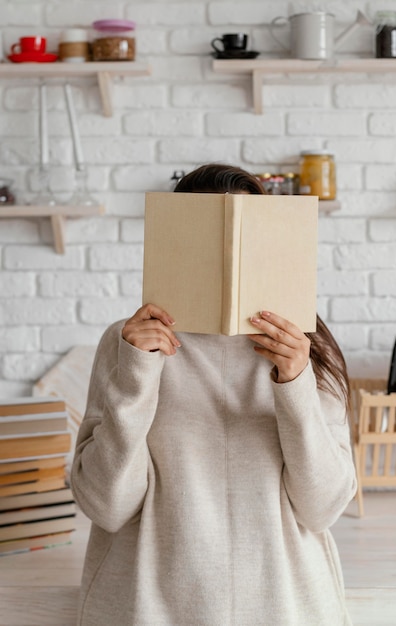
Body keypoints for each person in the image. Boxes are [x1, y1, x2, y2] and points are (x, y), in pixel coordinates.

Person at [71, 163, 357, 626]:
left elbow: (322, 507)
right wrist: (136, 375)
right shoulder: (126, 344)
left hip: (285, 608)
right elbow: (106, 504)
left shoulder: (306, 348)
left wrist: (295, 382)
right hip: (150, 608)